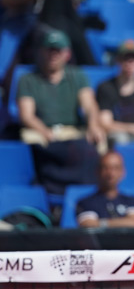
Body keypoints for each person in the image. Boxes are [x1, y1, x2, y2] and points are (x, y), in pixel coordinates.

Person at [17, 29, 105, 197]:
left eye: (58, 51)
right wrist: (44, 131)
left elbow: (89, 105)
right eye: (50, 50)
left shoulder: (77, 76)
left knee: (95, 145)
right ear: (41, 51)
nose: (53, 55)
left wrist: (93, 124)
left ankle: (87, 194)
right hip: (43, 134)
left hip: (71, 132)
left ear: (67, 54)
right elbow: (26, 115)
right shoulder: (28, 79)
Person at [76, 151, 134, 228]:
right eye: (106, 168)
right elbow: (88, 225)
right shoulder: (85, 203)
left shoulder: (132, 201)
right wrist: (124, 221)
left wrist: (100, 223)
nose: (111, 173)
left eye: (116, 168)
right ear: (97, 171)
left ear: (123, 172)